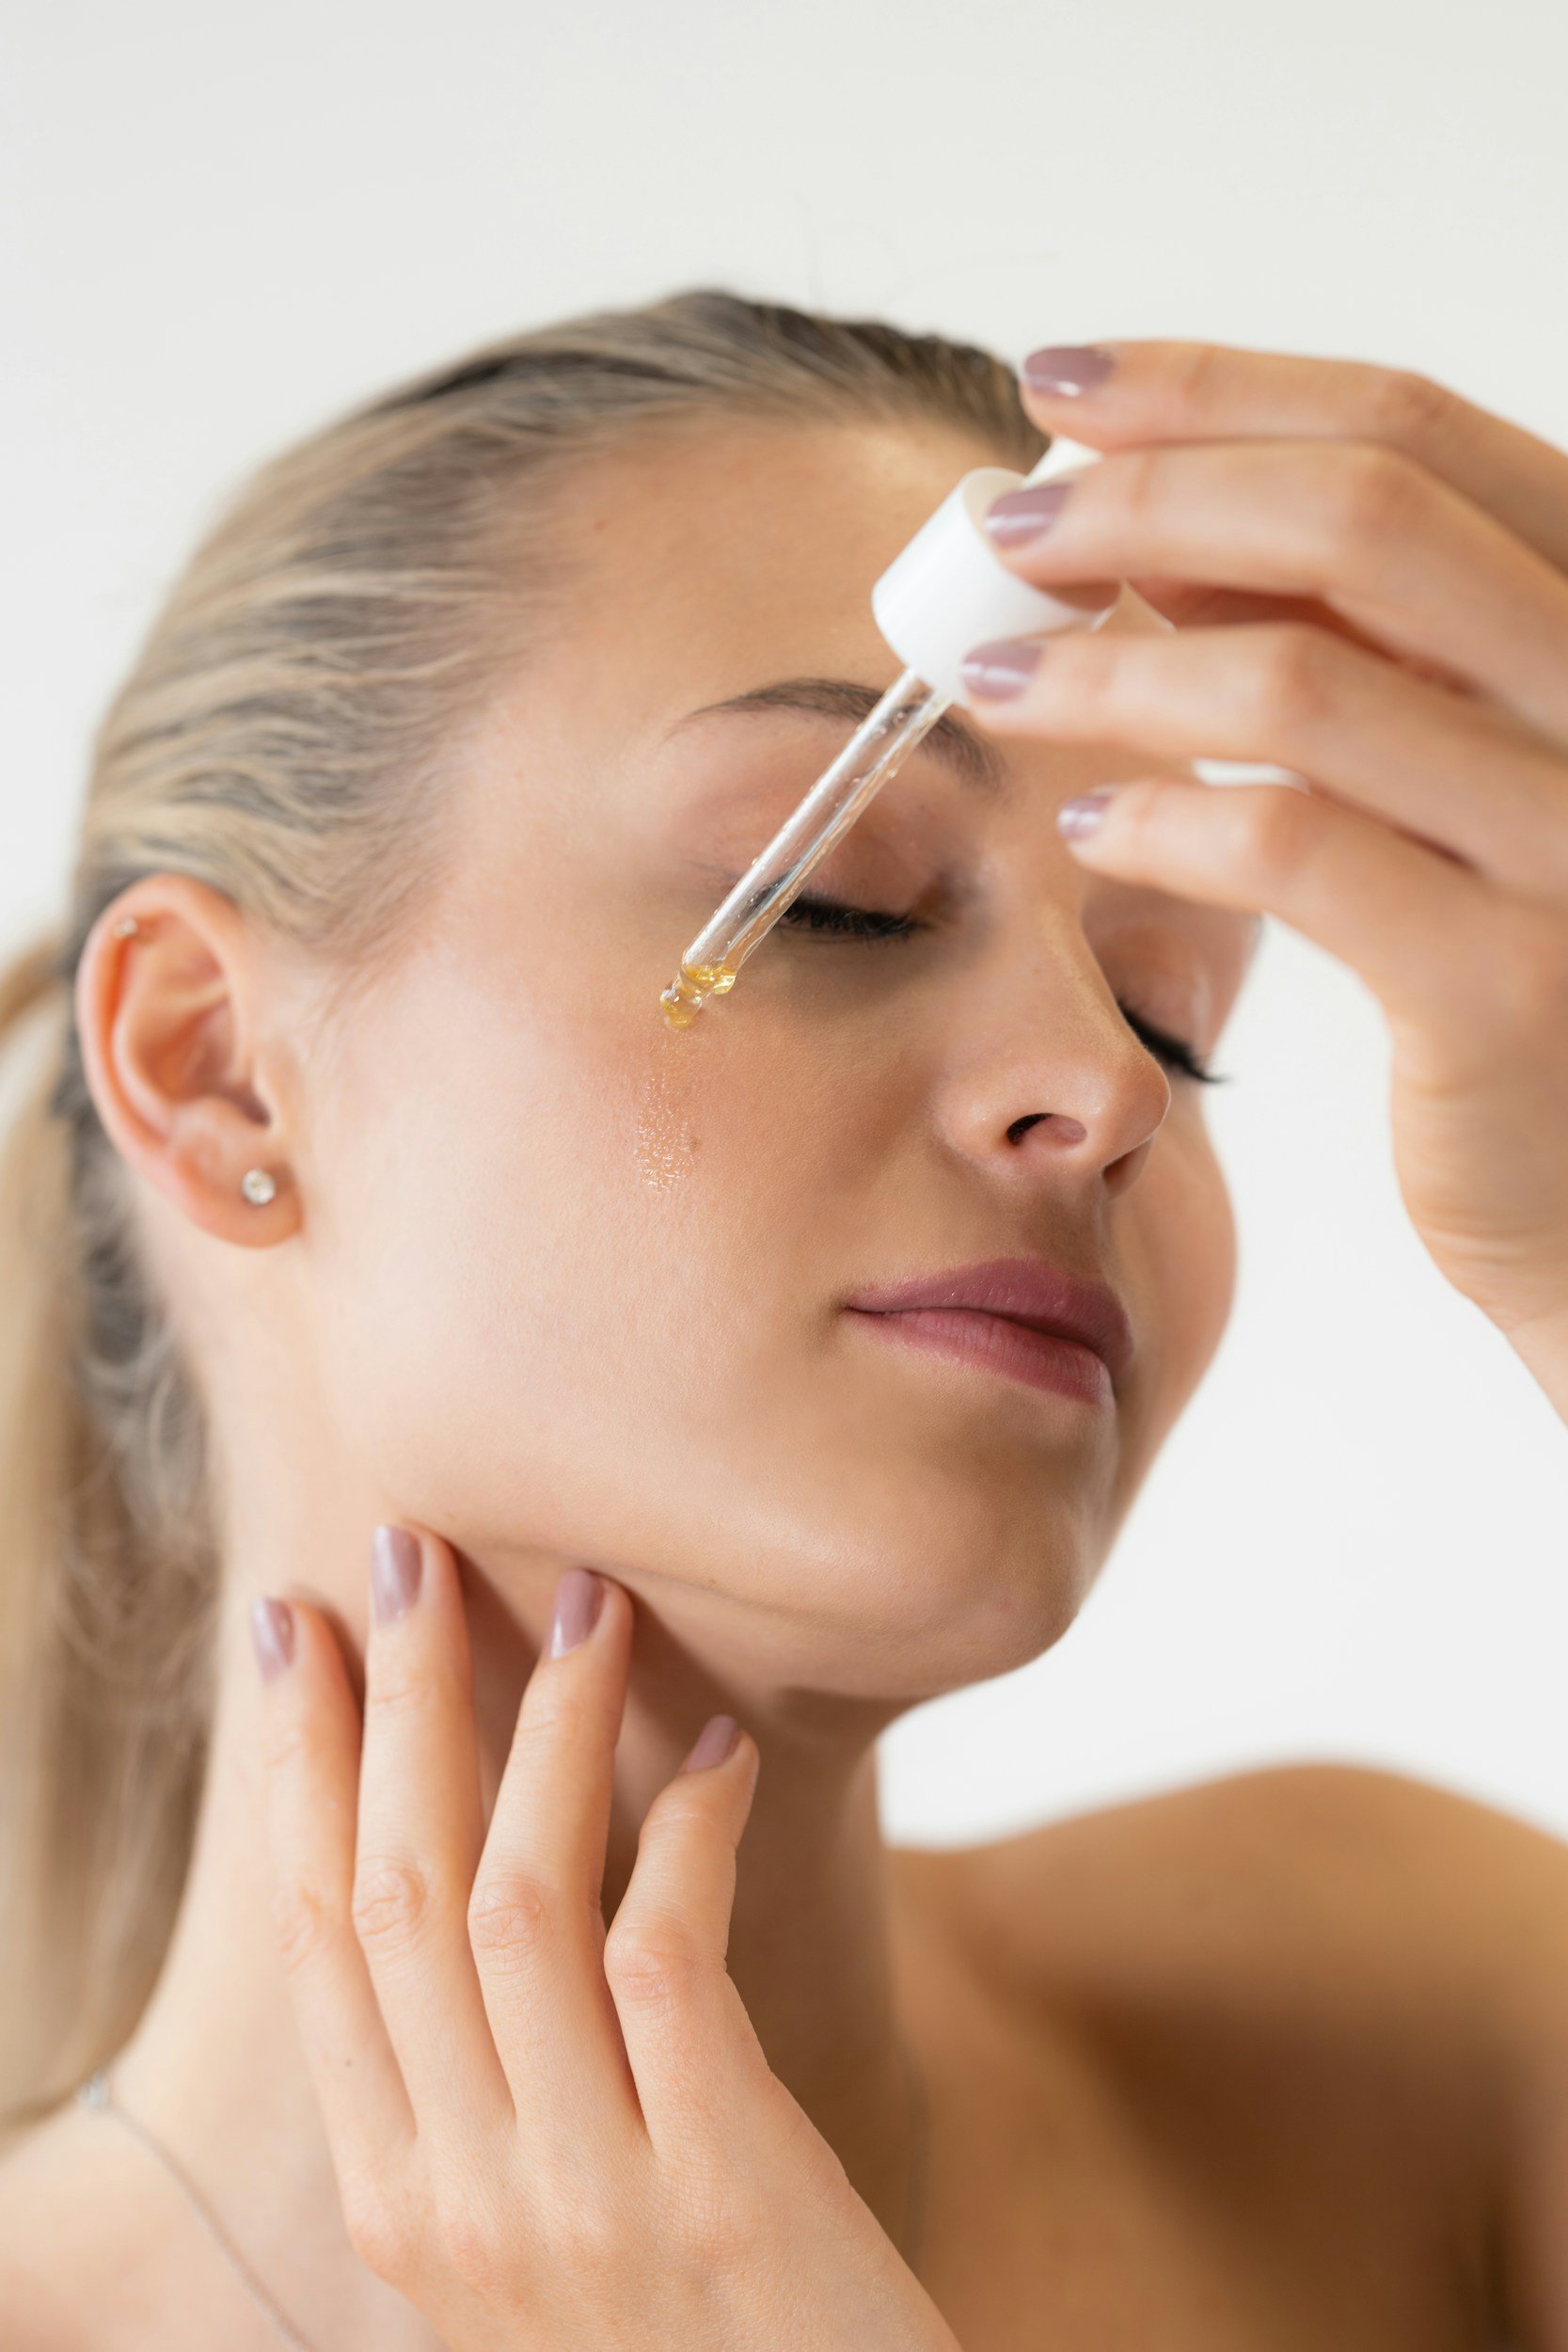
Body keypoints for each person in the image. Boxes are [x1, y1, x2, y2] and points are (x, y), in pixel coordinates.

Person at [1, 290, 1565, 2351]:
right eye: (839, 898)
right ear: (214, 1070)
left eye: (1173, 1020)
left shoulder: (1410, 2043)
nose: (1104, 1089)